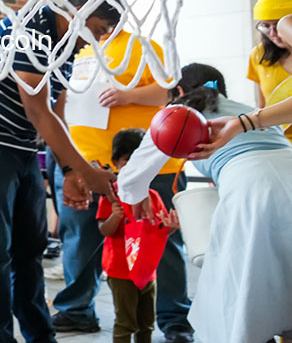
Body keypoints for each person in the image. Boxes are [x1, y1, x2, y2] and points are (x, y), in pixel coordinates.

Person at [0, 0, 120, 343]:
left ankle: (42, 337)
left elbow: (57, 112)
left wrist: (71, 171)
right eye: (99, 30)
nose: (96, 42)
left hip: (19, 147)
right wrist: (87, 172)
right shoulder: (32, 28)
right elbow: (38, 111)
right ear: (78, 11)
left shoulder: (65, 46)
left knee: (30, 251)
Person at [118, 63, 292, 342]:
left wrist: (136, 197)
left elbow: (134, 174)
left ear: (178, 90)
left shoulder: (178, 115)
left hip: (252, 187)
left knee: (240, 292)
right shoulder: (245, 107)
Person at [53, 30, 193, 341]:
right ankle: (77, 310)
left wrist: (129, 96)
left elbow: (172, 92)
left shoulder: (142, 46)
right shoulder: (77, 52)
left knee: (161, 239)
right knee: (81, 238)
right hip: (90, 164)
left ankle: (175, 318)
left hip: (148, 162)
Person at [97, 128, 179, 343]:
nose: (134, 168)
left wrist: (171, 227)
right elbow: (104, 230)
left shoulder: (153, 196)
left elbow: (159, 232)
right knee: (125, 323)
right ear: (116, 163)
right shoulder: (111, 195)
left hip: (147, 270)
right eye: (127, 161)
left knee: (147, 323)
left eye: (139, 161)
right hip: (120, 271)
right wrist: (115, 217)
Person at [246, 0, 292, 142]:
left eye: (279, 24)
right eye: (266, 26)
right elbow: (263, 106)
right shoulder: (258, 55)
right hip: (282, 144)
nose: (273, 33)